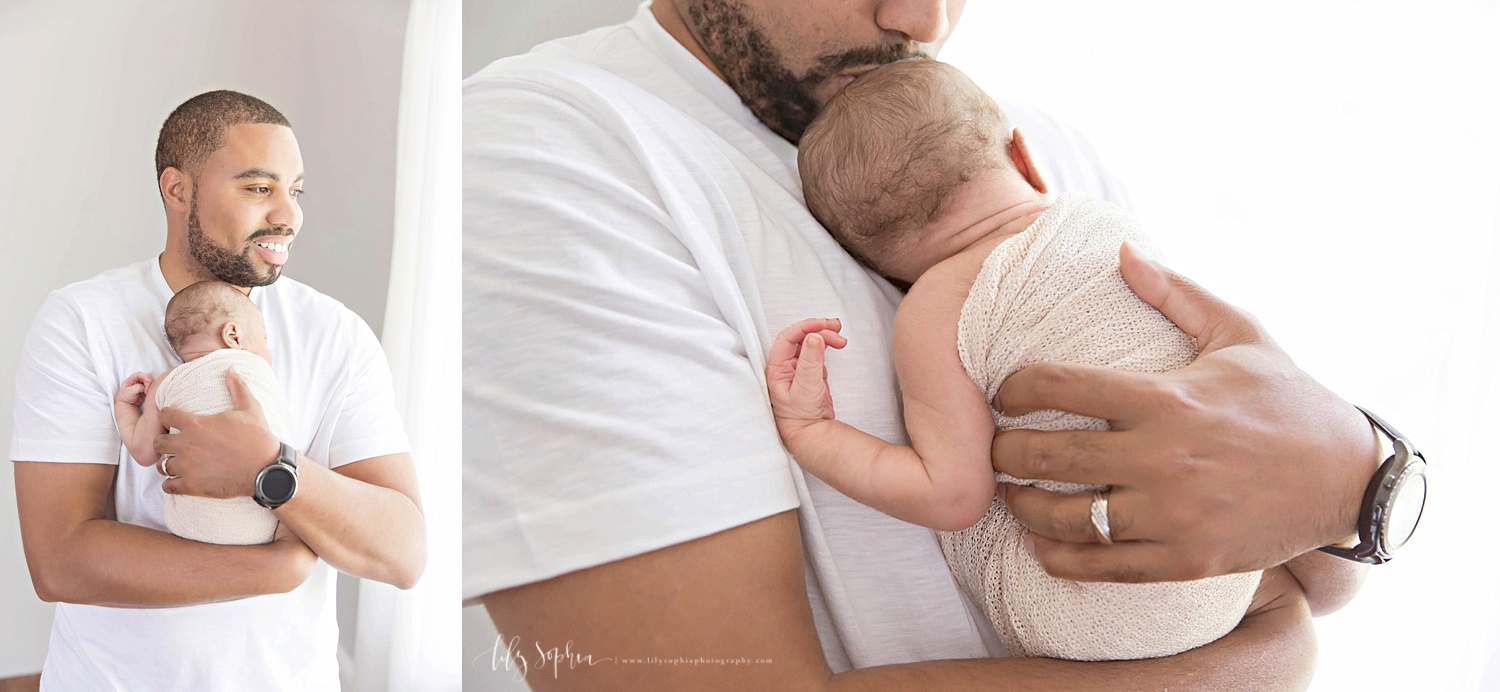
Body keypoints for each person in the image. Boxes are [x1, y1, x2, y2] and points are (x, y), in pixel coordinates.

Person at [465, 1, 1383, 688]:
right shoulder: (548, 154)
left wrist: (1365, 471)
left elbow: (1322, 559)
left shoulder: (1035, 139)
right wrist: (1272, 646)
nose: (923, 20)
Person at [768, 58, 1366, 662]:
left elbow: (952, 496)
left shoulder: (931, 312)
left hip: (1097, 613)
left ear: (869, 260)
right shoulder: (1112, 228)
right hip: (1236, 545)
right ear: (1024, 158)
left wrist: (813, 433)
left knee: (987, 516)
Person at [11, 90, 425, 690]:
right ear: (177, 190)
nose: (289, 214)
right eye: (259, 188)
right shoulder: (83, 320)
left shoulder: (335, 334)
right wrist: (276, 569)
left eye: (295, 190)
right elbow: (60, 560)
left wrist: (271, 468)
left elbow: (403, 552)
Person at [114, 280, 291, 546]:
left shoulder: (166, 383)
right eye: (264, 338)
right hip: (268, 517)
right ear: (233, 336)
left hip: (191, 528)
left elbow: (143, 452)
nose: (268, 351)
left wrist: (124, 405)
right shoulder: (258, 370)